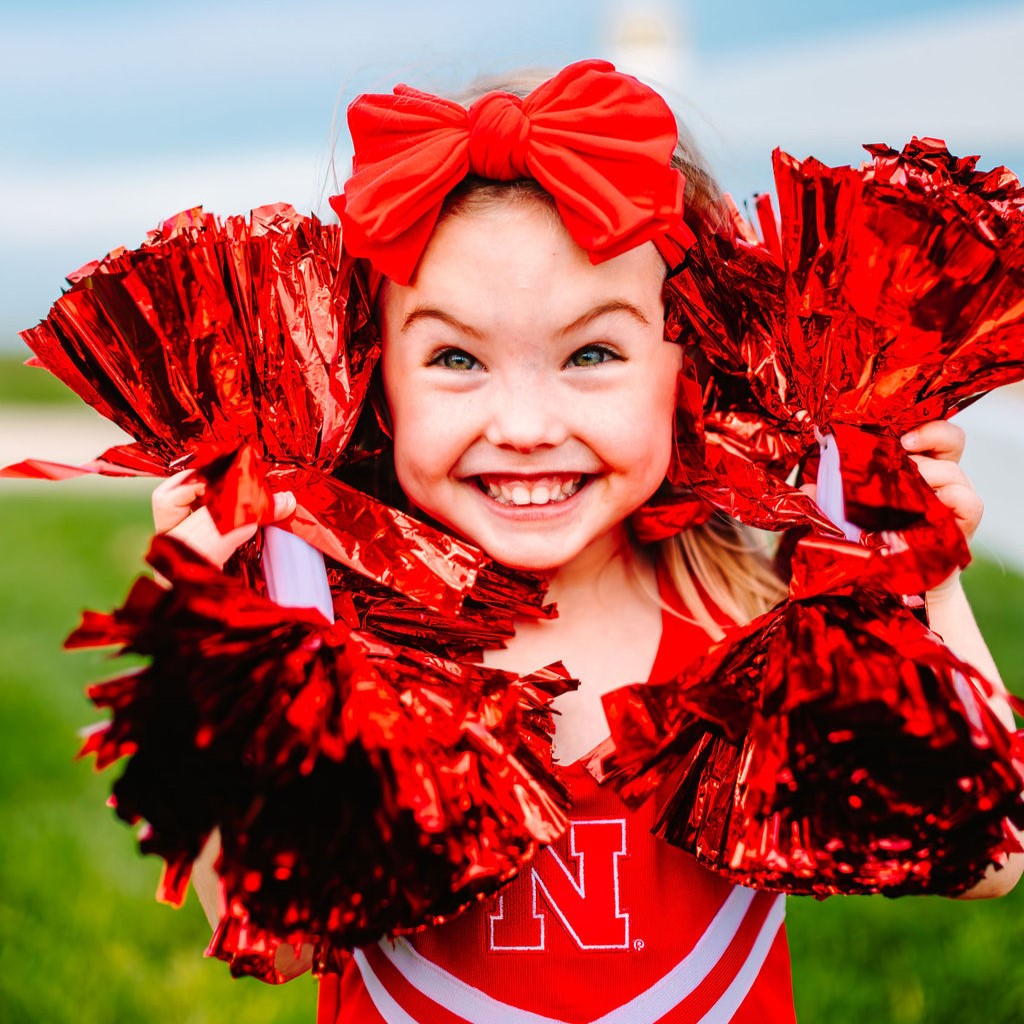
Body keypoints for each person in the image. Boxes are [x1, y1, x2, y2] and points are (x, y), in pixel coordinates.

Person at [152, 59, 1021, 1024]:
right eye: (454, 357)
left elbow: (982, 854)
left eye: (593, 353)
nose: (525, 423)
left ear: (693, 360)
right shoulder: (343, 643)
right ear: (369, 380)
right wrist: (217, 639)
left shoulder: (760, 617)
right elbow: (280, 928)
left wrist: (917, 567)